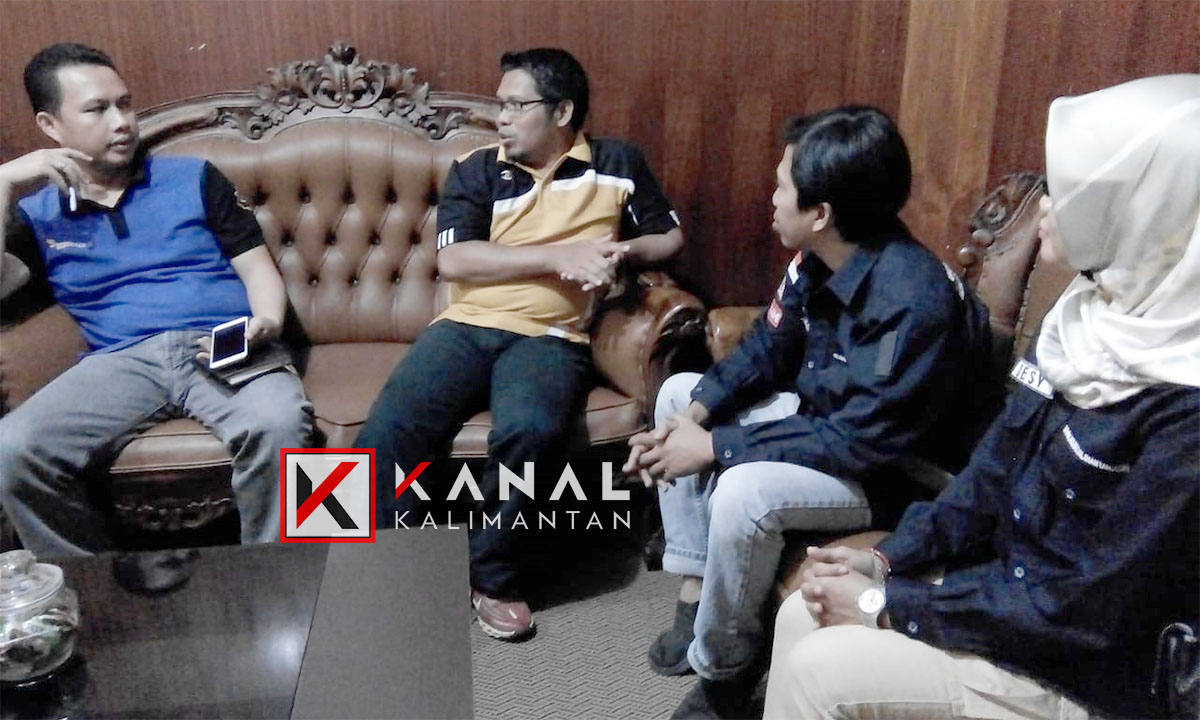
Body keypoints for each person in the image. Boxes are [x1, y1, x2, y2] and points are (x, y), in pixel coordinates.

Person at [764, 74, 1200, 720]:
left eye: (1074, 194)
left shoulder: (1185, 403)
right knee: (805, 611)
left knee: (818, 671)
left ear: (1151, 214)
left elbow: (1089, 612)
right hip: (1010, 602)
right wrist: (884, 558)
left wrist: (887, 604)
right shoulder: (1085, 320)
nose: (1047, 207)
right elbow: (988, 477)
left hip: (1079, 671)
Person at [624, 106, 999, 719]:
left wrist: (715, 448)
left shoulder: (912, 300)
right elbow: (767, 350)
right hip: (832, 426)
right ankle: (696, 586)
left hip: (894, 474)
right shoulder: (818, 258)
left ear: (820, 214)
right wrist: (694, 415)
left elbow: (860, 442)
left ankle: (726, 671)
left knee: (743, 491)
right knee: (678, 394)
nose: (771, 200)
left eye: (781, 187)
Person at [354, 48, 683, 641]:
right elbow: (456, 259)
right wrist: (559, 255)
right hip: (466, 326)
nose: (500, 118)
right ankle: (385, 567)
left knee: (531, 429)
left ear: (562, 111)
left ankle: (494, 578)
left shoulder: (617, 162)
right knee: (390, 425)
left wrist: (619, 252)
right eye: (499, 105)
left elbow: (668, 236)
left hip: (551, 337)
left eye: (515, 106)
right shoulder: (477, 167)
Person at [0, 43, 313, 556]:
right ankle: (96, 584)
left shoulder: (193, 178)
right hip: (119, 361)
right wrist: (3, 183)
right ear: (50, 126)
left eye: (124, 104)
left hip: (220, 342)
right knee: (11, 451)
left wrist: (267, 320)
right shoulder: (39, 214)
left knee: (277, 424)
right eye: (97, 109)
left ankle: (277, 577)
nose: (121, 122)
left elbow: (257, 267)